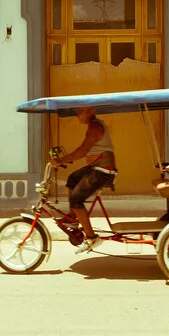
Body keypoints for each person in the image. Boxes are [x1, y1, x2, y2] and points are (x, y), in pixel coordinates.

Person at [53, 106, 117, 254]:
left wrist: (62, 160)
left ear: (90, 111)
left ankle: (92, 237)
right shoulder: (94, 125)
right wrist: (65, 160)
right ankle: (73, 217)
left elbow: (83, 150)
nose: (77, 115)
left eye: (80, 112)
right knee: (72, 179)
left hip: (102, 171)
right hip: (96, 168)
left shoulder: (95, 127)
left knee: (76, 198)